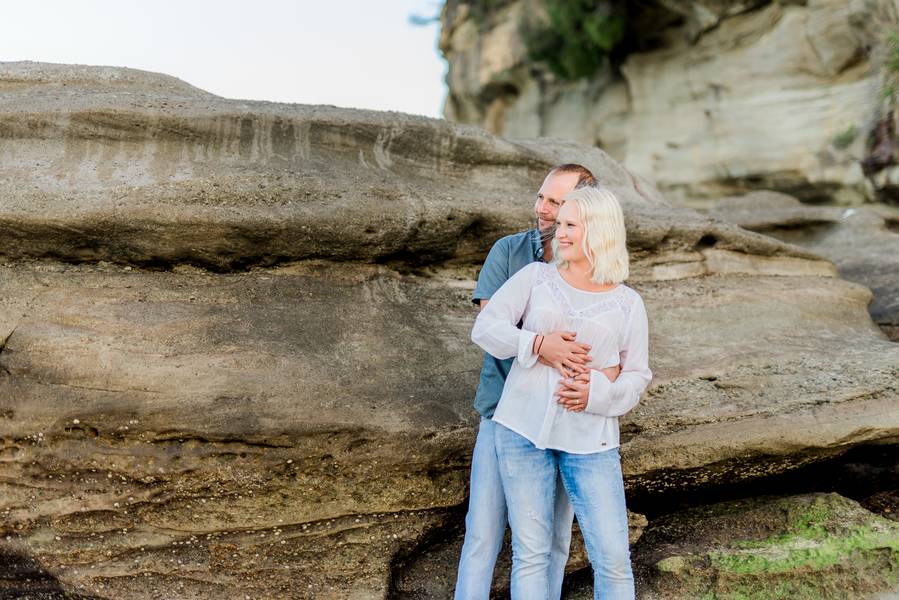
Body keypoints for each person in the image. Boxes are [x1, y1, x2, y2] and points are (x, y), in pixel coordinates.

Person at [471, 185, 651, 600]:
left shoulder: (628, 303)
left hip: (591, 442)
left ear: (600, 231)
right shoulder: (536, 278)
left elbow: (637, 375)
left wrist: (597, 394)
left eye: (571, 224)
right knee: (531, 555)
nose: (560, 232)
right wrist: (536, 344)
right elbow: (486, 328)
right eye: (561, 224)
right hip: (520, 430)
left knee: (613, 559)